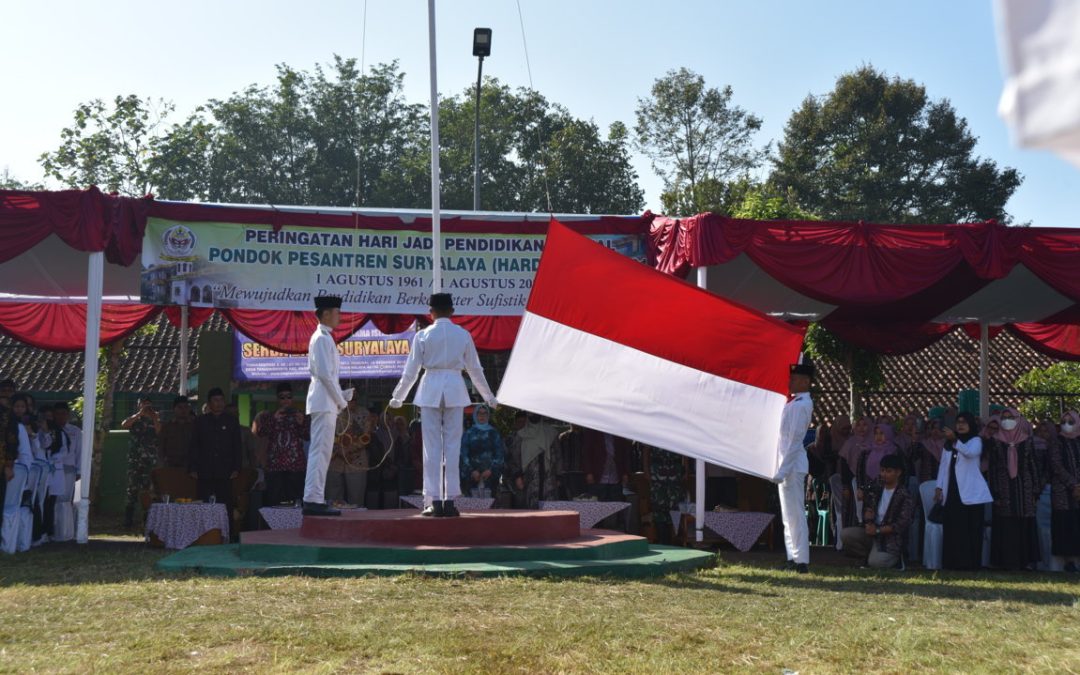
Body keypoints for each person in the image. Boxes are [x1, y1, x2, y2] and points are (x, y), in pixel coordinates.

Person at [390, 293, 497, 518]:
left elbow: (411, 371)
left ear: (431, 312)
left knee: (432, 448)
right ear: (452, 311)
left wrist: (398, 396)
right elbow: (475, 370)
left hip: (430, 387)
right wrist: (488, 397)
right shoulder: (463, 334)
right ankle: (450, 501)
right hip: (455, 388)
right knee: (452, 446)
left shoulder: (423, 335)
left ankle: (435, 501)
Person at [303, 296, 354, 517]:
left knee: (322, 452)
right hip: (324, 402)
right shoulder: (322, 338)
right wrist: (340, 400)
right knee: (320, 452)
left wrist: (341, 395)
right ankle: (313, 499)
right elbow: (324, 374)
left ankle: (315, 497)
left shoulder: (325, 338)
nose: (339, 316)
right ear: (325, 314)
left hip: (325, 400)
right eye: (336, 312)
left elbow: (327, 376)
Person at [935, 412, 993, 570]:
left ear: (971, 425)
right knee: (953, 527)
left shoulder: (976, 440)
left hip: (970, 492)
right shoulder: (948, 444)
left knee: (970, 529)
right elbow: (943, 466)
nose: (960, 425)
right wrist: (939, 487)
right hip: (951, 489)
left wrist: (955, 440)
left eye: (964, 422)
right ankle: (952, 563)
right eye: (958, 422)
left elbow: (970, 453)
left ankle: (970, 564)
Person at [986, 407, 1041, 570]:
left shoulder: (1027, 440)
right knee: (1005, 523)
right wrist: (995, 492)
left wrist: (1035, 491)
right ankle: (1005, 561)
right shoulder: (995, 441)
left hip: (1024, 487)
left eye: (1011, 417)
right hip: (1003, 488)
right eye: (1004, 417)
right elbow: (993, 468)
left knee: (1024, 522)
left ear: (1018, 420)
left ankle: (1024, 561)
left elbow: (1033, 466)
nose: (1007, 420)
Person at [840, 454, 916, 569]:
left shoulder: (904, 495)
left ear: (898, 473)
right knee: (845, 534)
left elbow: (901, 524)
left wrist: (878, 530)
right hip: (873, 535)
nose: (884, 474)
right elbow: (868, 509)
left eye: (889, 471)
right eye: (882, 471)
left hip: (891, 540)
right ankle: (868, 556)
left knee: (876, 563)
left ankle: (894, 560)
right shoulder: (877, 488)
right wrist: (868, 518)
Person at [775, 354, 815, 574]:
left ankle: (801, 560)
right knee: (787, 515)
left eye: (795, 378)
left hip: (793, 466)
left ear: (805, 381)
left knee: (796, 514)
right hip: (786, 465)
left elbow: (794, 440)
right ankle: (793, 555)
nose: (790, 381)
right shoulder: (793, 402)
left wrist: (782, 470)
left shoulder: (802, 404)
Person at [188, 387, 242, 517]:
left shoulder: (231, 421)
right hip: (205, 471)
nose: (219, 403)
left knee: (225, 505)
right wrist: (193, 468)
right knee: (204, 505)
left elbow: (237, 446)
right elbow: (194, 446)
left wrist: (236, 468)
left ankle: (226, 536)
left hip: (225, 471)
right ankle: (204, 535)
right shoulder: (200, 421)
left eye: (221, 400)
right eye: (215, 400)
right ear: (209, 403)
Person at [254, 382, 308, 506]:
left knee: (295, 502)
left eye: (289, 397)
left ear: (292, 398)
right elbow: (261, 433)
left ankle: (295, 526)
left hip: (295, 466)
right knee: (274, 501)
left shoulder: (299, 415)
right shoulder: (268, 416)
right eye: (282, 397)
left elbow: (307, 436)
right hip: (275, 466)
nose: (286, 400)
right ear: (277, 399)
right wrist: (274, 420)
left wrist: (301, 423)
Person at [325, 399, 379, 506]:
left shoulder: (364, 413)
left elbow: (366, 437)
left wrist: (347, 451)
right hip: (334, 461)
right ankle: (333, 522)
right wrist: (339, 451)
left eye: (354, 396)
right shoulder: (332, 411)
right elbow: (326, 433)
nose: (351, 399)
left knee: (356, 500)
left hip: (356, 461)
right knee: (333, 500)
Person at [120, 396, 161, 527]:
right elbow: (124, 425)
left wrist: (154, 417)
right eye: (143, 405)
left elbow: (160, 431)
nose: (146, 407)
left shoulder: (155, 418)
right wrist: (139, 414)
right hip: (135, 460)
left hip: (149, 461)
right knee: (131, 489)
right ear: (138, 406)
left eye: (148, 405)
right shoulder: (135, 419)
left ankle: (147, 519)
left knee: (148, 490)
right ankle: (128, 520)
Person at [508, 413, 562, 508]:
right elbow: (515, 457)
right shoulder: (521, 435)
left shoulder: (551, 433)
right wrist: (517, 476)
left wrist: (559, 476)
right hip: (529, 479)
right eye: (530, 413)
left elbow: (558, 456)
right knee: (531, 513)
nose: (533, 414)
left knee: (549, 512)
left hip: (549, 479)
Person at [1050, 411, 1080, 572]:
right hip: (1062, 491)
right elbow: (1056, 465)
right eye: (1064, 421)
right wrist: (1073, 485)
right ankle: (1068, 562)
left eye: (1071, 421)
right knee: (1065, 524)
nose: (1067, 424)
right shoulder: (1057, 441)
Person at [459, 405, 505, 498]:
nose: (482, 416)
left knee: (490, 507)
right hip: (471, 477)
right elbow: (463, 455)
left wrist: (490, 470)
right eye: (479, 413)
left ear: (488, 415)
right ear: (475, 415)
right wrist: (472, 471)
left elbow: (499, 454)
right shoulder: (468, 433)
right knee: (472, 508)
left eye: (485, 413)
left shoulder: (494, 433)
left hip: (490, 477)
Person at [583, 430, 632, 503]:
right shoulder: (593, 432)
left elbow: (624, 454)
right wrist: (589, 472)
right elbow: (587, 453)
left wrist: (625, 472)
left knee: (616, 503)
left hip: (615, 476)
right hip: (598, 476)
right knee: (599, 504)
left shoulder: (618, 433)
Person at [158, 395, 194, 469]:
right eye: (180, 407)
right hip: (171, 467)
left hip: (190, 468)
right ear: (174, 409)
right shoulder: (167, 427)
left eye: (186, 407)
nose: (183, 410)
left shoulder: (195, 426)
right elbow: (161, 448)